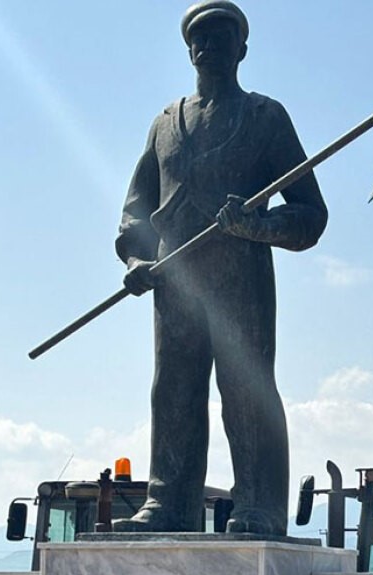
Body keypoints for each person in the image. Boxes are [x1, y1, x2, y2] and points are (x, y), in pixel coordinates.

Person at [112, 0, 328, 537]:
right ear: (188, 50)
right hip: (176, 283)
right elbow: (137, 211)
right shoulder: (164, 126)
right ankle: (169, 502)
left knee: (246, 389)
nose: (208, 47)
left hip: (241, 283)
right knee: (174, 390)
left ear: (243, 49)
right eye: (199, 38)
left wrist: (256, 227)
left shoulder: (265, 118)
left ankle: (258, 504)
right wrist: (139, 259)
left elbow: (309, 214)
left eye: (221, 37)